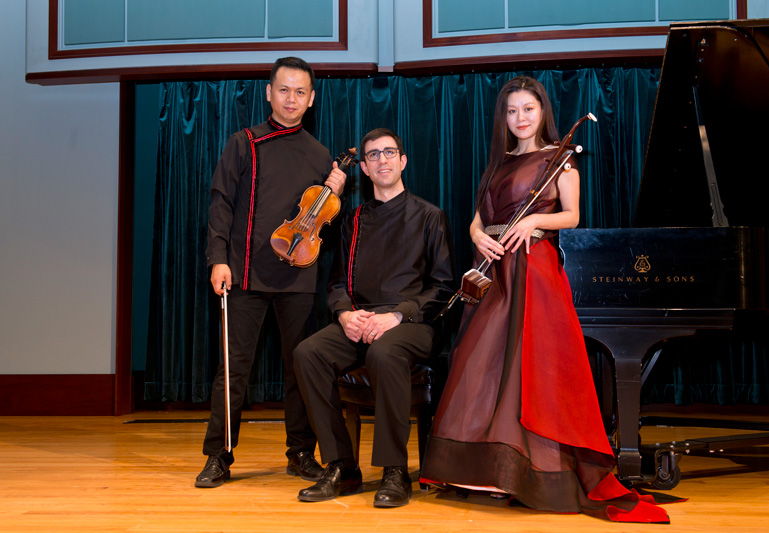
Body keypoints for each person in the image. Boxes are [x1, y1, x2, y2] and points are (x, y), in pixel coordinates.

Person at [420, 76, 670, 523]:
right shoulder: (496, 164)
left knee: (525, 371)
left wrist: (534, 218)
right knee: (481, 368)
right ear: (504, 117)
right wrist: (479, 237)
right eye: (512, 111)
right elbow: (478, 220)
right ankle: (480, 473)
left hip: (533, 271)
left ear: (542, 112)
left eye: (528, 109)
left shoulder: (560, 160)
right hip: (492, 269)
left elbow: (572, 216)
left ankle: (527, 473)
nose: (520, 118)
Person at [196, 57, 347, 488]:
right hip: (243, 274)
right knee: (233, 369)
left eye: (300, 92)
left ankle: (300, 453)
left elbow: (324, 222)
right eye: (284, 90)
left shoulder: (321, 155)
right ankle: (218, 455)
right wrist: (218, 258)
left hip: (298, 277)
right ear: (269, 93)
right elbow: (220, 202)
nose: (291, 99)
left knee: (300, 367)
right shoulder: (243, 142)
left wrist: (335, 192)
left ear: (312, 99)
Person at [292, 128, 456, 508]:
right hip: (360, 319)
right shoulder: (352, 220)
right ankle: (342, 466)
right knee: (308, 353)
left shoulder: (430, 216)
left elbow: (443, 287)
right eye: (373, 156)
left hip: (411, 325)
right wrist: (344, 314)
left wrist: (398, 316)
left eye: (389, 153)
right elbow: (335, 283)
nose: (382, 160)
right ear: (363, 168)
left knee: (384, 353)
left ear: (403, 161)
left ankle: (394, 470)